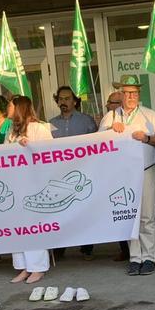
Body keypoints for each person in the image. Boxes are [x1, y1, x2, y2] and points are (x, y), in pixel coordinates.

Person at [100, 75, 155, 276]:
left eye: (135, 92)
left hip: (146, 171)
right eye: (127, 92)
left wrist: (145, 137)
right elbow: (99, 144)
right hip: (122, 175)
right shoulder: (110, 118)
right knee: (130, 217)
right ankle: (135, 258)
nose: (131, 96)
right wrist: (111, 130)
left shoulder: (151, 116)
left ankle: (149, 258)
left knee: (146, 216)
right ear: (120, 94)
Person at [6, 95, 54, 284]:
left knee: (33, 227)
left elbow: (51, 152)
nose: (7, 108)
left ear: (18, 108)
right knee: (18, 227)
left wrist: (31, 147)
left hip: (34, 184)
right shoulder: (11, 130)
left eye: (10, 105)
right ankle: (24, 266)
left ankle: (38, 267)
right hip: (15, 184)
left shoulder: (39, 128)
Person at [50, 85, 98, 260]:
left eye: (67, 98)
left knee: (83, 211)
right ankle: (60, 248)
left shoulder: (86, 121)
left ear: (75, 101)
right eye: (60, 99)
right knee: (60, 212)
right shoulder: (50, 124)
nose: (63, 102)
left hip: (83, 174)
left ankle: (87, 248)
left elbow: (97, 145)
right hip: (59, 175)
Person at [103, 91, 130, 262]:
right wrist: (108, 129)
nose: (108, 105)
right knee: (120, 211)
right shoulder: (109, 117)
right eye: (108, 102)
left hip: (132, 172)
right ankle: (125, 250)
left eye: (111, 102)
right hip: (114, 173)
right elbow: (99, 139)